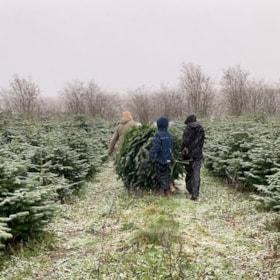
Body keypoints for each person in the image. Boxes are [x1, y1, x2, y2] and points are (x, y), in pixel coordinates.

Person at [149, 117, 174, 198]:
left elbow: (156, 146)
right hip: (168, 158)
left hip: (161, 159)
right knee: (166, 173)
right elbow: (171, 146)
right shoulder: (169, 135)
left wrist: (151, 153)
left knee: (161, 175)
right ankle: (171, 185)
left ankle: (167, 192)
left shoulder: (158, 135)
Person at [182, 114, 205, 201]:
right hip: (198, 154)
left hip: (189, 154)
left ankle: (189, 189)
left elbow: (185, 141)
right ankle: (195, 194)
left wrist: (186, 148)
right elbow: (201, 141)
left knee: (189, 171)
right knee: (196, 173)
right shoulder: (201, 128)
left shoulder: (187, 128)